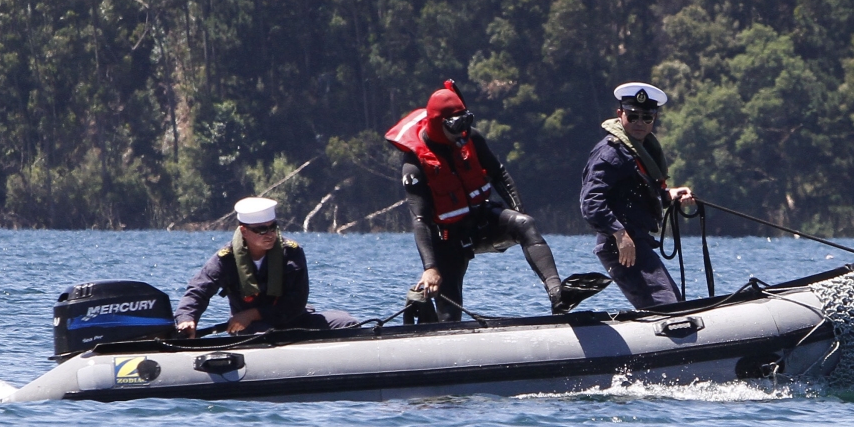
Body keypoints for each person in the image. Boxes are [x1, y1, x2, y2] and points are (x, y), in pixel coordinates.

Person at [386, 81, 606, 320]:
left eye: (466, 122)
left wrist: (520, 213)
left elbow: (500, 175)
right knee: (449, 315)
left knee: (525, 225)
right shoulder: (414, 164)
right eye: (456, 125)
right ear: (439, 124)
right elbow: (420, 220)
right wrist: (430, 267)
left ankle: (557, 295)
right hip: (447, 241)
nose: (463, 131)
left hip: (482, 222)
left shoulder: (472, 139)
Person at [580, 82, 695, 309]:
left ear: (654, 119)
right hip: (621, 246)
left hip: (638, 241)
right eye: (633, 117)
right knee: (667, 307)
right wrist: (619, 235)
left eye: (646, 117)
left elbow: (634, 196)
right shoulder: (611, 152)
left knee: (675, 302)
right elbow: (591, 202)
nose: (640, 123)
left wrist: (669, 195)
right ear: (620, 114)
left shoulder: (637, 151)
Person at [174, 197, 358, 337]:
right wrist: (187, 319)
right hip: (252, 329)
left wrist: (252, 314)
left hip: (294, 318)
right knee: (263, 336)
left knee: (347, 323)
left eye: (273, 227)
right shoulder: (226, 259)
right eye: (261, 229)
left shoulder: (291, 253)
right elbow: (198, 291)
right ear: (244, 231)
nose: (269, 234)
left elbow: (295, 303)